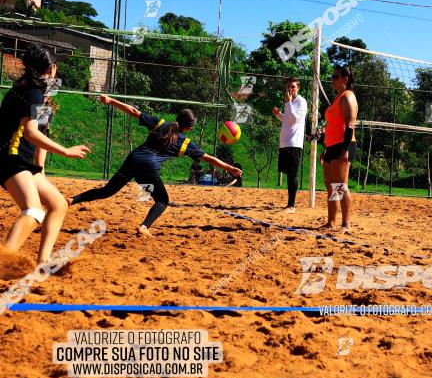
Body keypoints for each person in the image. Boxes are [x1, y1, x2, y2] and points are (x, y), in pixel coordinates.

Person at [69, 96, 242, 236]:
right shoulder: (185, 142)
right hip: (148, 169)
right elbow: (209, 159)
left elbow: (133, 111)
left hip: (133, 159)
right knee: (162, 200)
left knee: (106, 191)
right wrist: (230, 168)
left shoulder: (160, 123)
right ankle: (144, 227)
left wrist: (112, 101)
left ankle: (71, 200)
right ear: (188, 128)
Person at [0, 45, 90, 269]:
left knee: (58, 204)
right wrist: (66, 151)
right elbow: (31, 133)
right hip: (10, 159)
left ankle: (44, 262)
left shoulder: (30, 90)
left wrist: (40, 169)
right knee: (33, 211)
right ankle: (3, 261)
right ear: (51, 68)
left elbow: (36, 134)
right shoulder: (32, 92)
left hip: (22, 161)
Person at [321, 65, 358, 232]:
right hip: (331, 145)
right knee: (330, 184)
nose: (332, 80)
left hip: (344, 145)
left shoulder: (348, 96)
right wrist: (325, 148)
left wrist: (344, 151)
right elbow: (332, 125)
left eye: (335, 77)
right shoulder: (338, 97)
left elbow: (350, 126)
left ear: (345, 79)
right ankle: (331, 222)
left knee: (341, 185)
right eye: (332, 76)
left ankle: (346, 224)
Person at [272, 78, 307, 212]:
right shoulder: (291, 102)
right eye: (288, 86)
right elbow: (287, 119)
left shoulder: (300, 101)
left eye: (292, 87)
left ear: (298, 88)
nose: (289, 89)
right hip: (285, 141)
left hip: (294, 143)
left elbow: (294, 120)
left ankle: (291, 206)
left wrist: (287, 103)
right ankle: (289, 204)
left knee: (292, 174)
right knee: (288, 174)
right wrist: (278, 114)